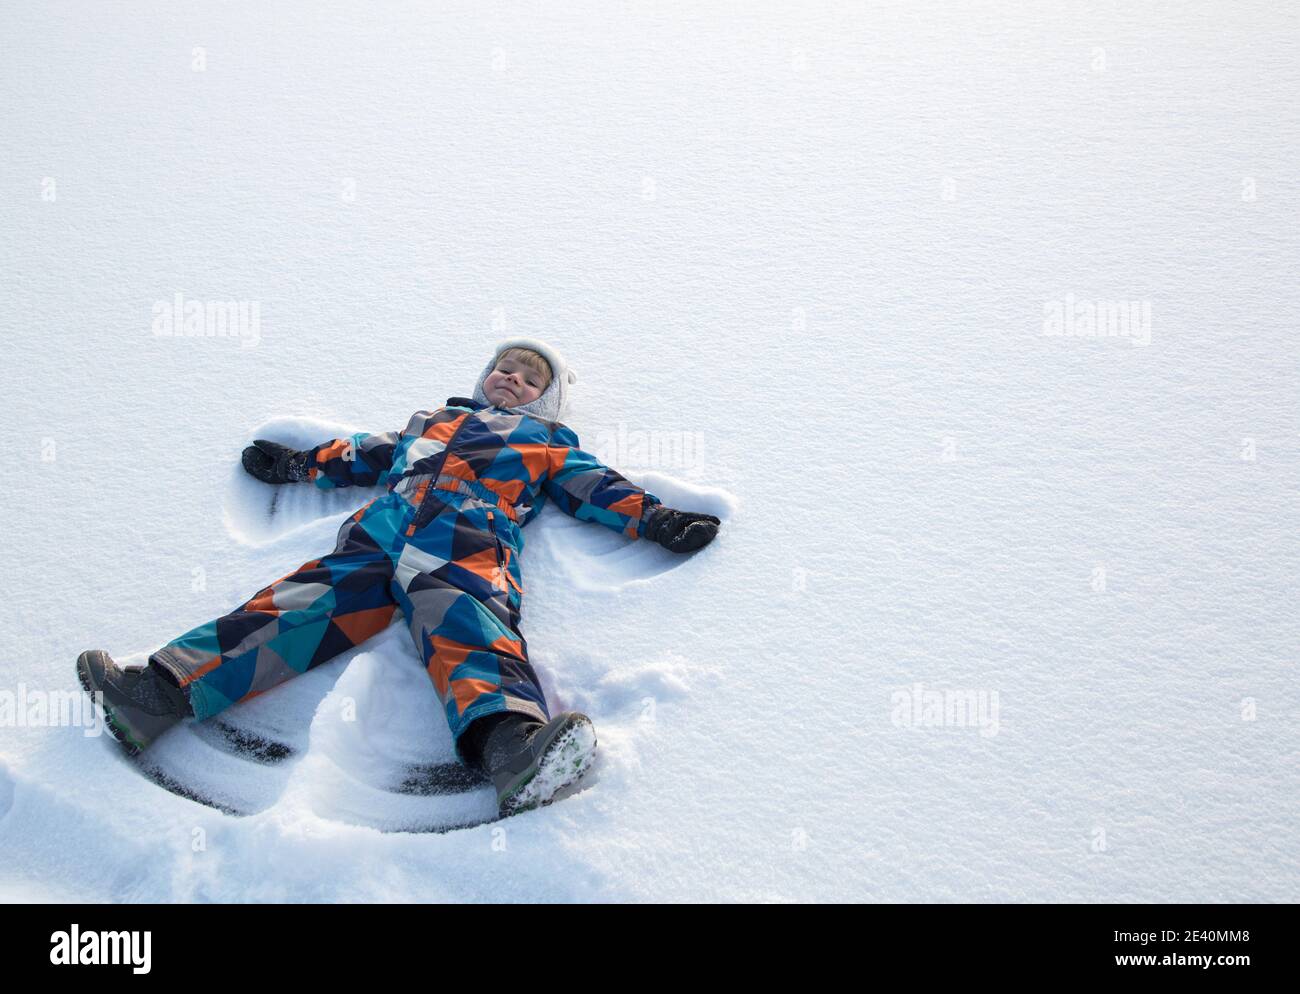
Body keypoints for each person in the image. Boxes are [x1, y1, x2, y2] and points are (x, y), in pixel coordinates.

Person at [76, 338, 721, 817]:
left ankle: (511, 745)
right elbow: (360, 453)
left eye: (530, 379)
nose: (512, 379)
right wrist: (298, 464)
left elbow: (596, 487)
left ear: (544, 399)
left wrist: (656, 519)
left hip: (468, 535)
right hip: (383, 526)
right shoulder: (429, 423)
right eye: (505, 368)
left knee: (466, 618)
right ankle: (158, 693)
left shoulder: (548, 442)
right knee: (297, 605)